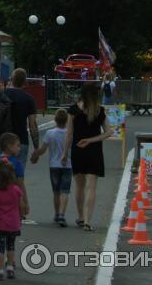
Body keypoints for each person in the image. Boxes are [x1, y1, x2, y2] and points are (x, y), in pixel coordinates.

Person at [61, 82, 113, 231]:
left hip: (78, 151)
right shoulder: (99, 111)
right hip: (94, 152)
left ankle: (80, 217)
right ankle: (88, 221)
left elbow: (69, 134)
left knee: (79, 187)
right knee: (91, 187)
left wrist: (64, 154)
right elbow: (109, 132)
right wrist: (91, 140)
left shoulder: (73, 110)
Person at [0, 133, 28, 266]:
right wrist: (26, 202)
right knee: (11, 231)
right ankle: (10, 260)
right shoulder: (17, 164)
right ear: (10, 147)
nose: (19, 149)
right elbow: (20, 185)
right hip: (12, 203)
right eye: (17, 146)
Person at [0, 68, 39, 168]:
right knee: (18, 175)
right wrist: (36, 149)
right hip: (21, 142)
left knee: (1, 174)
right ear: (25, 82)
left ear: (11, 79)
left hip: (2, 141)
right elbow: (33, 126)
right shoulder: (29, 99)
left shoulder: (0, 95)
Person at [0, 158, 26, 281]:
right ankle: (10, 268)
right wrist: (20, 217)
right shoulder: (16, 190)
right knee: (10, 246)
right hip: (13, 224)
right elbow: (21, 206)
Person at [30, 108, 72, 226]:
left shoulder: (50, 133)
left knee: (56, 192)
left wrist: (35, 155)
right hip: (67, 165)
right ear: (67, 120)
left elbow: (43, 150)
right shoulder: (70, 133)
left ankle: (56, 214)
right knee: (65, 191)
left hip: (54, 166)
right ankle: (62, 215)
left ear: (55, 120)